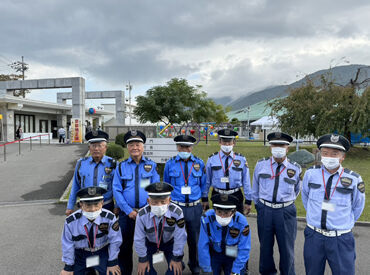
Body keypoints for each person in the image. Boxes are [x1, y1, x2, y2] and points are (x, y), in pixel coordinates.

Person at [302, 134, 365, 275]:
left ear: (342, 157)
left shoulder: (354, 179)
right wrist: (314, 216)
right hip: (314, 236)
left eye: (334, 154)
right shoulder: (311, 174)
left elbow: (358, 206)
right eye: (325, 153)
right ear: (320, 155)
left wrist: (343, 223)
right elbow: (305, 198)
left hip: (340, 239)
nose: (329, 157)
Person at [251, 132, 301, 275]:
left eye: (281, 145)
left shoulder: (295, 168)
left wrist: (285, 202)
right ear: (270, 147)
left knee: (287, 248)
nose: (277, 148)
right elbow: (255, 188)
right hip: (265, 210)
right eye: (275, 145)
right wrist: (259, 205)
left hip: (285, 212)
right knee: (265, 247)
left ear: (288, 148)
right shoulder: (261, 165)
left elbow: (297, 189)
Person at [113, 130, 160, 274]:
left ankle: (147, 271)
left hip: (147, 213)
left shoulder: (151, 166)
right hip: (126, 214)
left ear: (143, 146)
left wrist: (146, 210)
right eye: (131, 144)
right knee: (124, 246)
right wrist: (129, 211)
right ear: (127, 147)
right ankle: (125, 272)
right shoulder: (121, 167)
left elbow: (156, 189)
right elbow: (117, 190)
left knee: (148, 245)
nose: (135, 147)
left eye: (138, 144)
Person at [163, 135, 206, 275]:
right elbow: (166, 184)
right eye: (181, 147)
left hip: (194, 207)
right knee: (176, 238)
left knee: (195, 239)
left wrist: (205, 201)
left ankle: (195, 264)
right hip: (176, 206)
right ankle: (177, 263)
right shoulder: (170, 164)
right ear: (177, 147)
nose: (184, 149)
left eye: (187, 147)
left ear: (191, 147)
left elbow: (203, 184)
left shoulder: (199, 163)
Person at [60, 186, 122, 275]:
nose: (93, 209)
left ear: (102, 203)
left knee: (113, 273)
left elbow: (115, 240)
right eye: (88, 205)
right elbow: (67, 244)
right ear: (81, 204)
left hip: (101, 253)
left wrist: (112, 262)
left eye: (96, 205)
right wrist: (68, 266)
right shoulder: (71, 222)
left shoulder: (110, 218)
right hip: (81, 255)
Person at [134, 182, 187, 275]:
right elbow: (139, 239)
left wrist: (176, 258)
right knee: (145, 272)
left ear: (169, 200)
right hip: (150, 244)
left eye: (163, 202)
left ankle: (180, 263)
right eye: (154, 202)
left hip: (169, 243)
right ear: (148, 201)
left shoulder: (177, 213)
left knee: (175, 271)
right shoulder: (141, 215)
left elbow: (180, 237)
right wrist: (142, 259)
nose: (159, 206)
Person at [66, 130, 118, 216]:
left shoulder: (113, 164)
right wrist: (70, 206)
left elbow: (117, 187)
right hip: (86, 206)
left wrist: (117, 206)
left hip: (106, 206)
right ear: (89, 148)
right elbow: (76, 185)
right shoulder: (81, 163)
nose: (96, 149)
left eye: (99, 146)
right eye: (93, 146)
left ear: (105, 148)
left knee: (105, 229)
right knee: (86, 229)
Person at [198, 194, 251, 275]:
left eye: (226, 213)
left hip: (233, 254)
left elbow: (244, 248)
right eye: (219, 212)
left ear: (233, 212)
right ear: (214, 209)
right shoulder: (206, 219)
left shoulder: (242, 222)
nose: (222, 216)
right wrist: (206, 269)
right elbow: (202, 246)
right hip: (215, 253)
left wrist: (236, 270)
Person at [204, 129, 252, 215]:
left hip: (235, 195)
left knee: (236, 225)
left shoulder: (241, 159)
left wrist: (248, 200)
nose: (226, 145)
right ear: (219, 142)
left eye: (229, 142)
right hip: (217, 195)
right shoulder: (212, 159)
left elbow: (246, 181)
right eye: (224, 142)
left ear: (234, 142)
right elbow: (207, 180)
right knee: (218, 223)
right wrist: (204, 198)